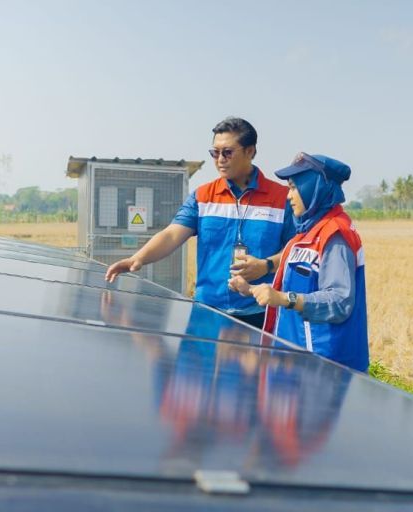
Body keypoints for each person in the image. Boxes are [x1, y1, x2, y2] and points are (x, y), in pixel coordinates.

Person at [105, 117, 295, 328]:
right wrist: (137, 258)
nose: (220, 159)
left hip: (260, 314)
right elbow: (171, 234)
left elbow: (295, 251)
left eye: (227, 152)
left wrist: (266, 266)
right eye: (215, 152)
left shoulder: (282, 199)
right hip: (207, 312)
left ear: (250, 151)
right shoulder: (203, 196)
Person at [229, 152, 369, 372]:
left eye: (294, 187)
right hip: (295, 360)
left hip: (326, 365)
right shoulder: (303, 234)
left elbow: (339, 301)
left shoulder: (335, 234)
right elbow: (291, 290)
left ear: (315, 188)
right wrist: (250, 290)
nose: (288, 196)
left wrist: (284, 299)